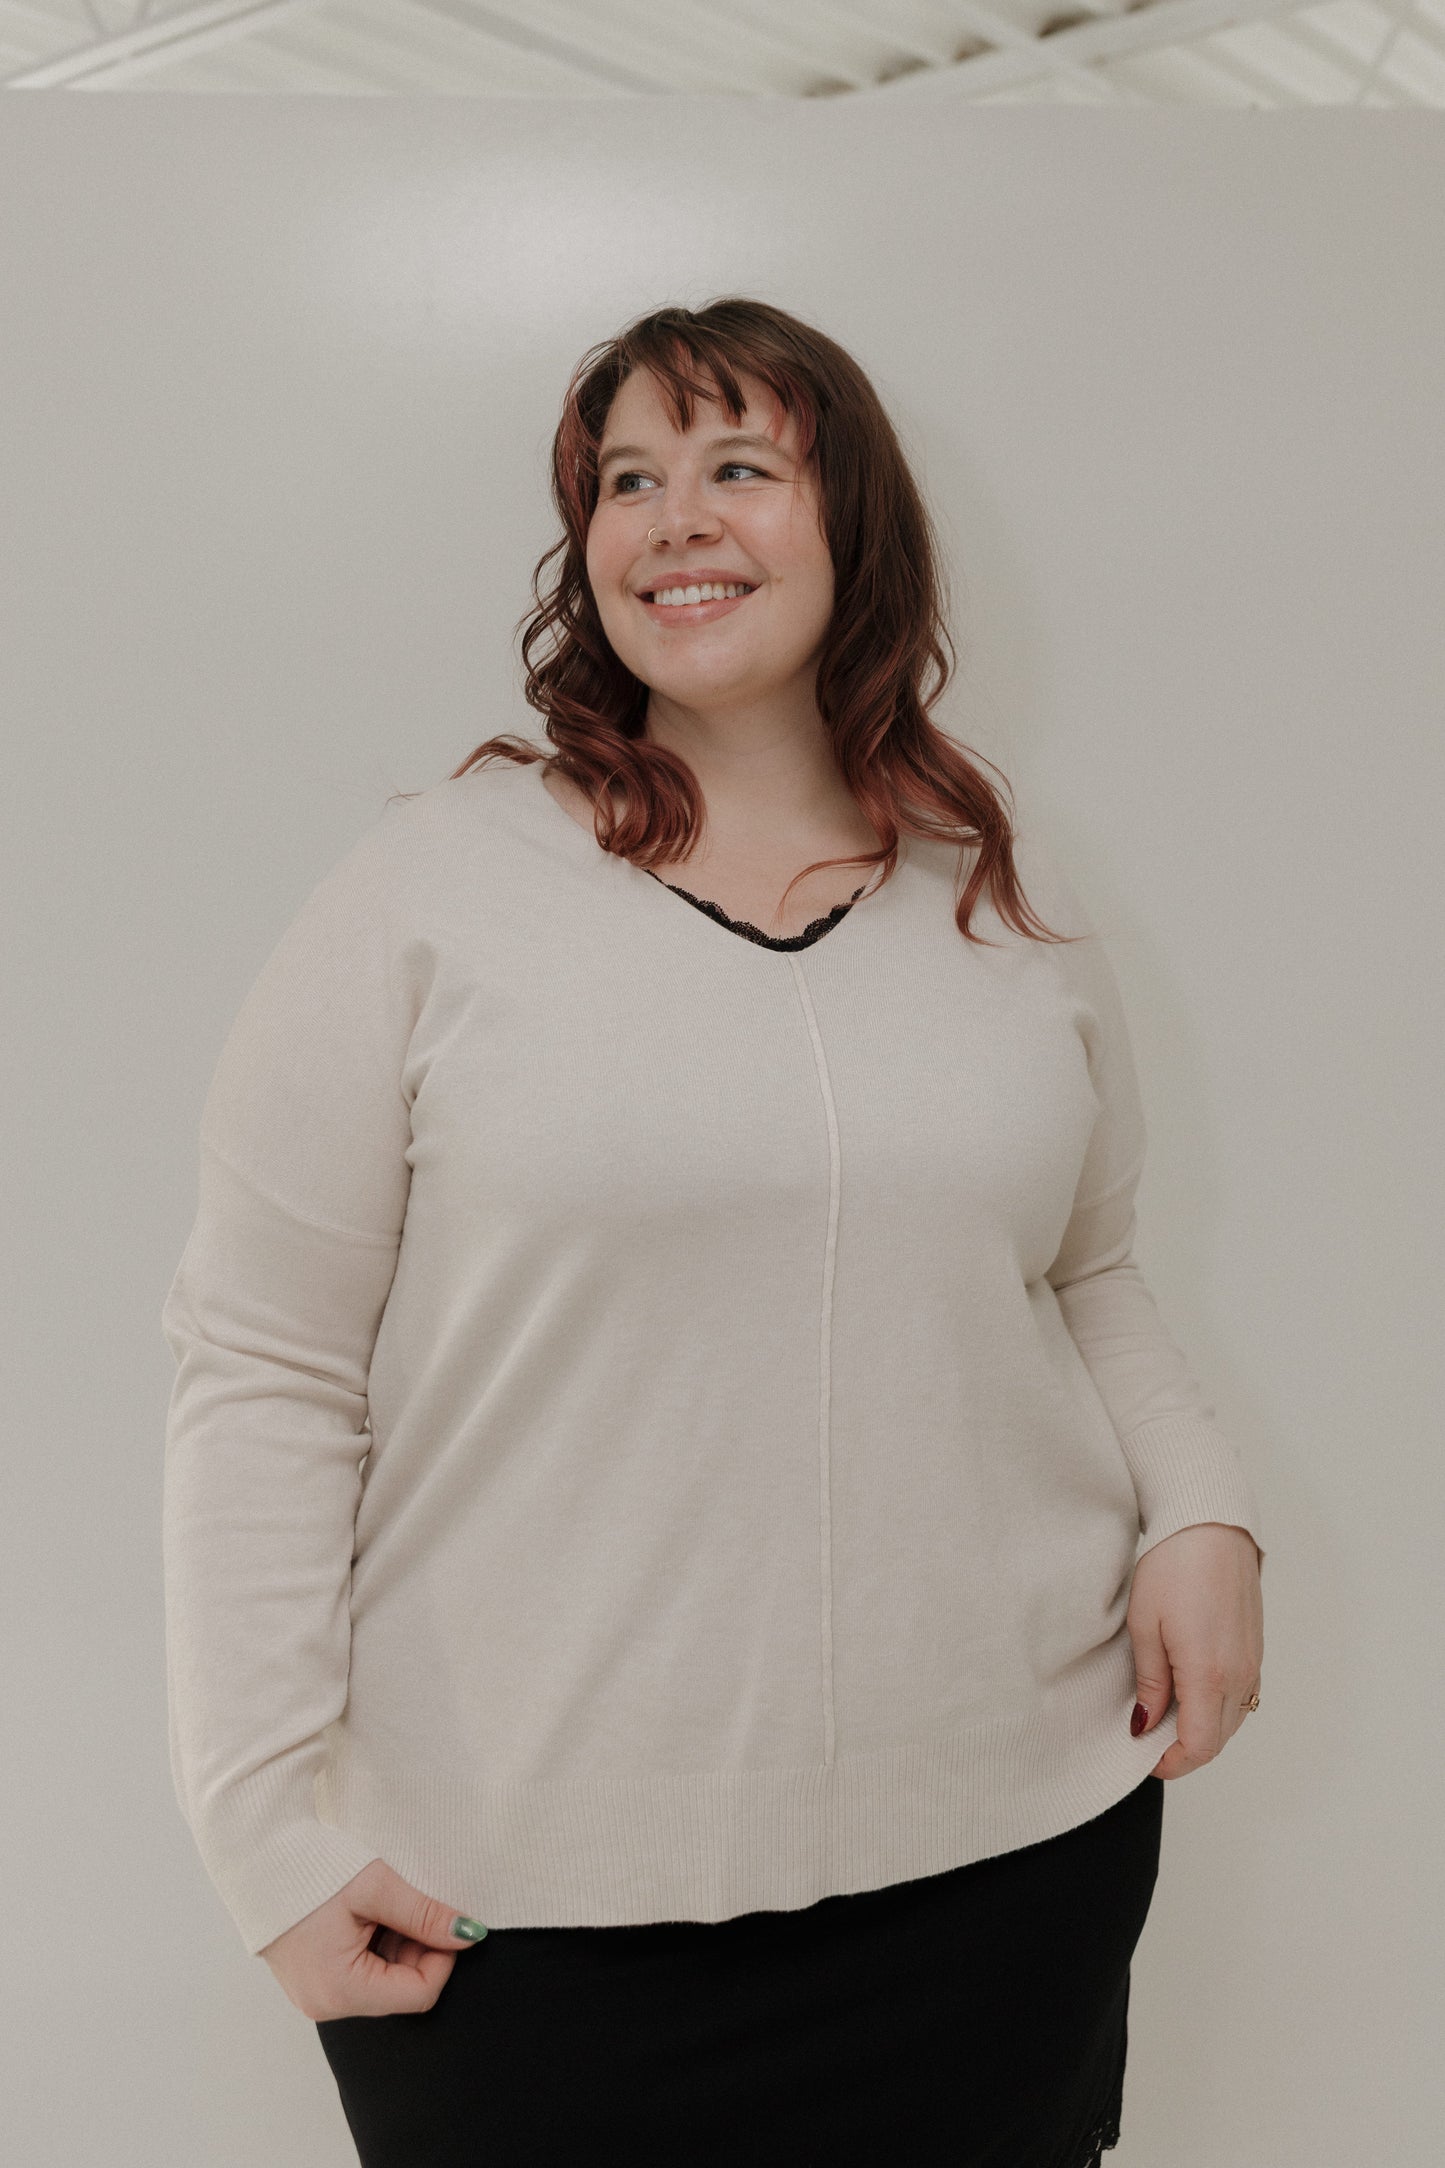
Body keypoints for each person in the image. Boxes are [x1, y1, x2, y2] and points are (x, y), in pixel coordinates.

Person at [160, 297, 1266, 2165]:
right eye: (624, 480)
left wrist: (1202, 1506)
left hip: (1010, 1867)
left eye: (740, 466)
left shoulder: (999, 889)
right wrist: (259, 1822)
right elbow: (262, 1360)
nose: (673, 519)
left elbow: (1081, 1268)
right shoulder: (428, 892)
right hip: (530, 1915)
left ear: (859, 532)